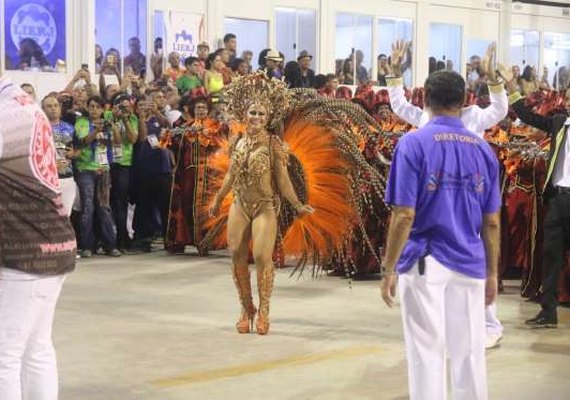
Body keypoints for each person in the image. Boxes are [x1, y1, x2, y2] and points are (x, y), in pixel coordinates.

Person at [381, 69, 501, 400]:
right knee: (470, 352)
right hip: (471, 261)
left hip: (424, 261)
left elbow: (404, 215)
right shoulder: (483, 149)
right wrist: (492, 273)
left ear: (424, 100)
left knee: (426, 351)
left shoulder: (413, 143)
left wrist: (389, 268)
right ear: (464, 101)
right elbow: (491, 221)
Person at [210, 76, 314, 335]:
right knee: (236, 254)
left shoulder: (274, 145)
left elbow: (283, 180)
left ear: (268, 118)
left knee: (260, 256)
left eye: (261, 113)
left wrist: (298, 204)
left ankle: (265, 309)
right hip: (240, 203)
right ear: (244, 114)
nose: (256, 116)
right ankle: (247, 308)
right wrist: (218, 199)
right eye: (252, 112)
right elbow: (230, 175)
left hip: (265, 206)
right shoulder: (237, 141)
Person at [0, 72, 76, 400]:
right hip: (53, 244)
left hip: (25, 250)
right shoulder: (26, 105)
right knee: (36, 347)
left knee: (5, 354)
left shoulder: (7, 115)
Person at [509, 86, 570, 327]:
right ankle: (548, 312)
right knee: (551, 255)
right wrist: (514, 88)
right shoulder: (558, 124)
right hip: (558, 199)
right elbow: (527, 117)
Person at [167, 95, 224, 254]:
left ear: (208, 110)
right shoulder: (185, 127)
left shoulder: (215, 127)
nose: (201, 110)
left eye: (203, 108)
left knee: (206, 209)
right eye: (198, 108)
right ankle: (183, 240)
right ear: (193, 110)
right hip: (188, 175)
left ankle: (205, 242)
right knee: (186, 207)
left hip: (208, 175)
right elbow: (173, 145)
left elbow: (221, 145)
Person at [74, 96, 122, 258]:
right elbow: (83, 142)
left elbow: (117, 143)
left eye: (97, 107)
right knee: (88, 208)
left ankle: (110, 245)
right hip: (85, 169)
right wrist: (96, 131)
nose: (94, 109)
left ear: (103, 109)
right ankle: (87, 246)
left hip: (103, 170)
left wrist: (113, 127)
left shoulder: (107, 123)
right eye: (91, 106)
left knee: (104, 208)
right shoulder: (81, 123)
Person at [107, 93, 139, 252]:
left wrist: (125, 119)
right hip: (107, 162)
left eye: (127, 106)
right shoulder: (108, 115)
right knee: (107, 202)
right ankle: (109, 239)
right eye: (121, 106)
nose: (124, 109)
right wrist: (114, 116)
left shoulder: (133, 119)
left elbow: (133, 139)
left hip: (124, 164)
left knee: (121, 203)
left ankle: (122, 239)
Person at [42, 94, 78, 215]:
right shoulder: (39, 129)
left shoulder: (70, 128)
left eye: (55, 105)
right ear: (43, 109)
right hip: (46, 179)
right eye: (49, 106)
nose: (53, 108)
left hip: (67, 177)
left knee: (65, 214)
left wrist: (74, 153)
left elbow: (80, 149)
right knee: (48, 216)